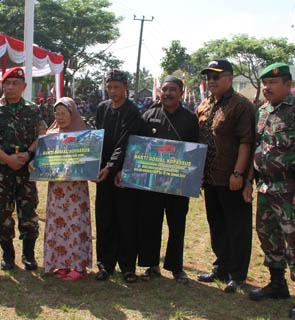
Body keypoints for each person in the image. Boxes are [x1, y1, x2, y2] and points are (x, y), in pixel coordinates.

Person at [243, 63, 295, 318]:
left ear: (288, 85)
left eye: (273, 83)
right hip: (265, 186)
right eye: (264, 83)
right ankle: (277, 284)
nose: (267, 87)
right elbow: (258, 147)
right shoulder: (262, 110)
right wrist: (248, 182)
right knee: (269, 237)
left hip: (290, 188)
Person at [195, 59, 255, 293]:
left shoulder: (241, 105)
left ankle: (238, 274)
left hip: (232, 177)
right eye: (208, 77)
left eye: (216, 76)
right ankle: (221, 266)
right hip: (210, 178)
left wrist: (239, 173)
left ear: (230, 78)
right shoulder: (205, 104)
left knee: (237, 226)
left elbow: (246, 141)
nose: (211, 81)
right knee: (217, 224)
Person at [0, 67, 47, 271]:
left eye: (15, 83)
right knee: (2, 214)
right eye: (7, 83)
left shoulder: (33, 109)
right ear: (2, 85)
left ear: (24, 86)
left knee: (28, 212)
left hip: (26, 169)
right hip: (1, 170)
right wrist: (7, 159)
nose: (10, 87)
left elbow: (42, 134)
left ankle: (28, 255)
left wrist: (28, 154)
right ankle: (8, 255)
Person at [135, 76, 199, 284]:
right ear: (159, 92)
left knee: (177, 225)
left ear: (181, 93)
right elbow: (139, 147)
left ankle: (176, 267)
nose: (168, 93)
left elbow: (196, 150)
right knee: (149, 223)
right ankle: (150, 265)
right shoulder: (148, 115)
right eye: (164, 89)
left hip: (178, 182)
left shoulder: (190, 119)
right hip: (152, 182)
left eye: (173, 89)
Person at [31, 97, 92, 281]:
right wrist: (35, 164)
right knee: (58, 224)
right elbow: (43, 158)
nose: (60, 117)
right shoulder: (51, 132)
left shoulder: (82, 133)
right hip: (57, 190)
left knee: (75, 225)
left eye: (64, 113)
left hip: (75, 190)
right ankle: (62, 263)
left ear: (72, 114)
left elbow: (89, 160)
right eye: (57, 114)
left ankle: (78, 266)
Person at [93, 69, 143, 283]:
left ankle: (128, 266)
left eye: (117, 87)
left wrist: (113, 168)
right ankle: (105, 264)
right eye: (109, 86)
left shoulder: (132, 111)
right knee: (104, 219)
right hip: (103, 174)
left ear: (126, 88)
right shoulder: (102, 108)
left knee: (126, 220)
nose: (113, 91)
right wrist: (94, 165)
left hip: (123, 174)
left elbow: (126, 142)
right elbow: (97, 138)